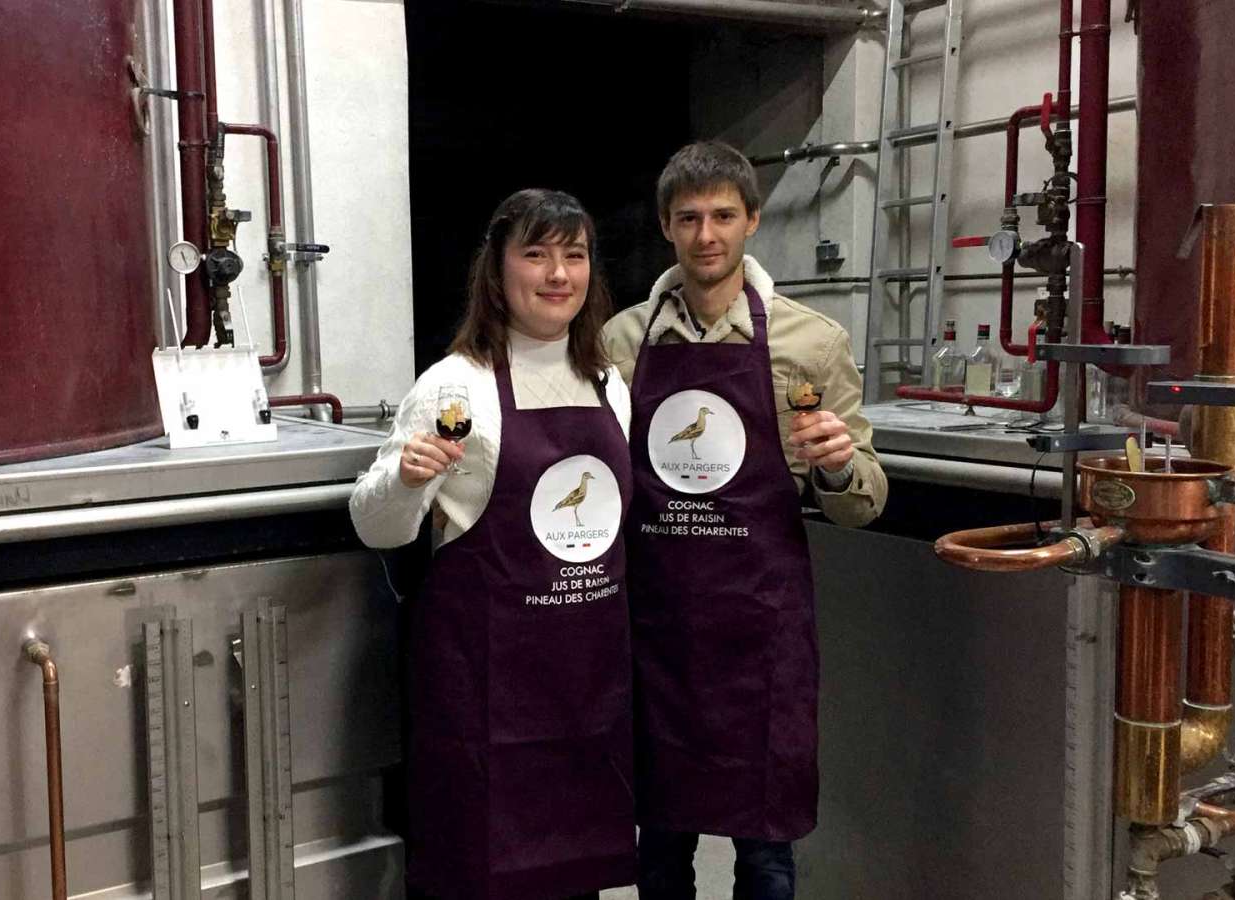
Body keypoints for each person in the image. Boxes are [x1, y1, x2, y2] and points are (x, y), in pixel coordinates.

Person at [602, 141, 888, 900]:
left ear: (753, 220)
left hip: (761, 634)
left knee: (765, 856)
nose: (707, 235)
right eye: (689, 218)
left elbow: (864, 501)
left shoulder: (811, 342)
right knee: (659, 851)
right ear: (666, 226)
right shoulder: (620, 343)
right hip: (656, 633)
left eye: (723, 216)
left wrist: (835, 464)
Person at [351, 188, 636, 899]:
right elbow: (376, 526)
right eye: (536, 254)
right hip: (487, 694)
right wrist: (406, 479)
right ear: (498, 270)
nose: (558, 274)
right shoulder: (455, 386)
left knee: (575, 880)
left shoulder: (607, 383)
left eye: (575, 255)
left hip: (587, 685)